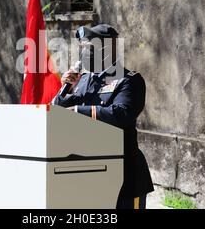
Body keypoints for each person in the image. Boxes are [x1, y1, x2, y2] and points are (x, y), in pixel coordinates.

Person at [52, 24, 154, 209]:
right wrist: (65, 90)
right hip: (90, 174)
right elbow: (56, 113)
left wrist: (77, 111)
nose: (84, 54)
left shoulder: (129, 80)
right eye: (82, 48)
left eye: (90, 48)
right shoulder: (83, 79)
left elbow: (121, 114)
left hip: (125, 176)